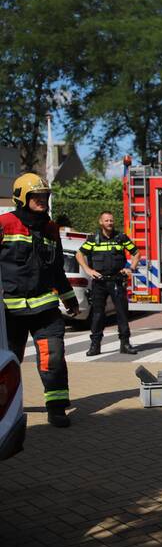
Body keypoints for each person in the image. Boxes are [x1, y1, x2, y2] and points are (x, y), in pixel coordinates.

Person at [2, 174, 79, 427]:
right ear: (22, 198)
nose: (42, 200)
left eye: (44, 196)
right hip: (8, 311)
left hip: (45, 308)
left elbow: (56, 269)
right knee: (8, 361)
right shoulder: (5, 224)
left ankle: (56, 408)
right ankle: (7, 410)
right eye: (36, 196)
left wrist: (69, 299)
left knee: (53, 357)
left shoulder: (50, 229)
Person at [76, 211, 140, 356]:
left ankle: (125, 344)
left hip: (117, 280)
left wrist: (131, 268)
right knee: (98, 315)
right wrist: (88, 270)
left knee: (122, 314)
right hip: (100, 282)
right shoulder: (93, 239)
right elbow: (79, 254)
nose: (110, 223)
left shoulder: (121, 238)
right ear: (101, 222)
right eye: (106, 221)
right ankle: (95, 346)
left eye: (111, 220)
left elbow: (136, 253)